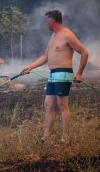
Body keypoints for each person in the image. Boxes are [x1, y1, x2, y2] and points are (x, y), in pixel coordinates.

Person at [22, 10, 89, 143]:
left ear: (52, 21)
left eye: (47, 21)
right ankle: (46, 136)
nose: (46, 23)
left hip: (63, 73)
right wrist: (30, 67)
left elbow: (84, 52)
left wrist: (79, 73)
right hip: (52, 74)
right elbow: (45, 56)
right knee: (48, 105)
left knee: (62, 104)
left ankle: (65, 138)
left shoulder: (67, 35)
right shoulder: (53, 36)